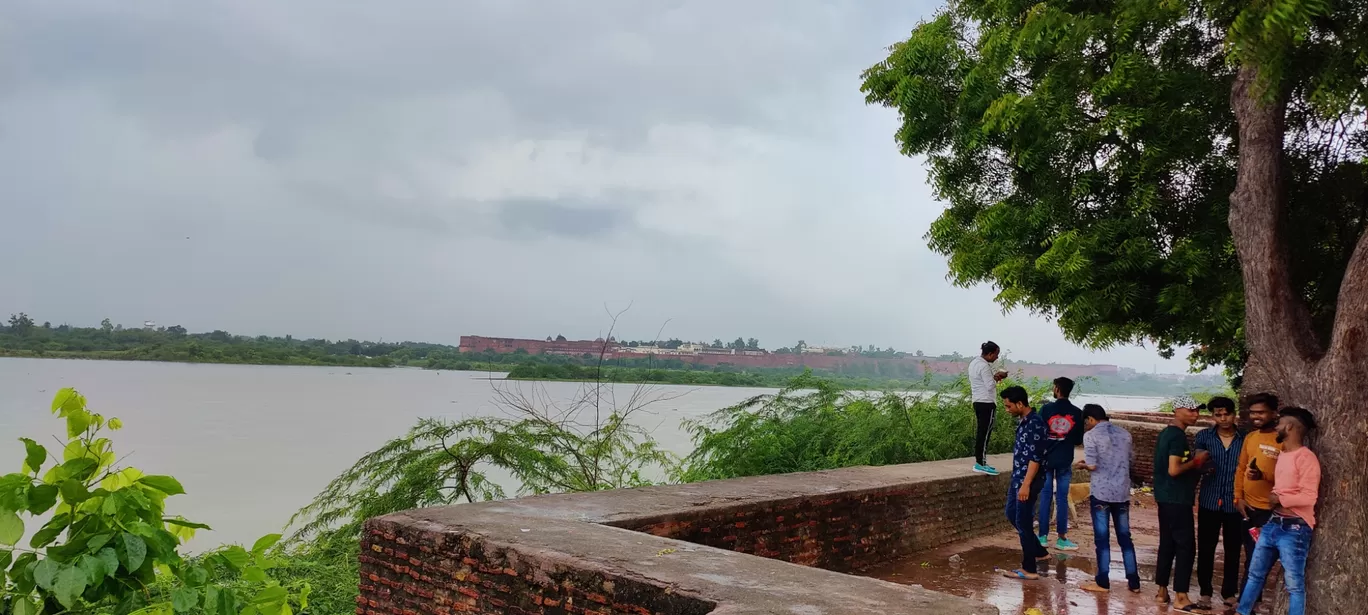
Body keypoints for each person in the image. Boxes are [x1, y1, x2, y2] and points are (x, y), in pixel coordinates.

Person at [1230, 407, 1320, 615]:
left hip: (1295, 528)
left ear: (1289, 427)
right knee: (1255, 575)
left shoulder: (1306, 458)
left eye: (1280, 423)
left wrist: (1280, 499)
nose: (1277, 426)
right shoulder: (1284, 454)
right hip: (1274, 523)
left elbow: (1309, 497)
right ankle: (1242, 612)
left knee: (1294, 584)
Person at [1076, 404, 1140, 594]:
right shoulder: (1124, 434)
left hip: (1102, 493)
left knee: (1102, 539)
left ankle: (1103, 581)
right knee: (1125, 537)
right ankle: (1134, 581)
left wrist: (1083, 466)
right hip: (1121, 492)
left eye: (1086, 422)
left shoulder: (1091, 436)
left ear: (1090, 419)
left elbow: (1093, 465)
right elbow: (1131, 459)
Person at [1153, 395, 1210, 611]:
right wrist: (1197, 462)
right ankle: (1181, 596)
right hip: (1176, 499)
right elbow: (1174, 469)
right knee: (1186, 546)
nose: (1195, 414)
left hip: (1164, 497)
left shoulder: (1166, 434)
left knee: (1167, 543)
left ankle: (1161, 591)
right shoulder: (1176, 436)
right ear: (1177, 410)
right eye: (1191, 410)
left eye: (1197, 411)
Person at [1193, 396, 1246, 611]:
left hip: (1235, 502)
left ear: (1234, 414)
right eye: (1218, 414)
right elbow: (1197, 463)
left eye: (1227, 414)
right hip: (1209, 500)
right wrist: (1203, 466)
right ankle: (1205, 592)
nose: (1223, 418)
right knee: (1206, 548)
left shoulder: (1246, 438)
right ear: (1212, 416)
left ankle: (1229, 592)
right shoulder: (1204, 437)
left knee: (1233, 549)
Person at [1233, 392, 1281, 606]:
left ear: (1274, 413)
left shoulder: (1282, 441)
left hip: (1270, 513)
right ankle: (1247, 603)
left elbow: (1288, 476)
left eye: (1260, 412)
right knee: (1251, 558)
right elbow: (1241, 468)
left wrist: (1264, 476)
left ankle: (1247, 604)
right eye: (1252, 413)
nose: (1255, 416)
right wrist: (1238, 498)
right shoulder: (1251, 437)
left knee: (1260, 561)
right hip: (1248, 509)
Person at [1000, 385, 1050, 580]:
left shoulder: (1035, 424)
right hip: (1018, 477)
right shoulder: (1024, 421)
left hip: (1027, 480)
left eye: (1009, 406)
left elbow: (1035, 458)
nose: (1007, 410)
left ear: (1020, 403)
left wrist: (1026, 484)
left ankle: (1029, 569)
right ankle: (1039, 551)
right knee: (1011, 513)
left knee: (1023, 521)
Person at [1037, 376, 1084, 551]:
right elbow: (1078, 439)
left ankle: (1042, 537)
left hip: (1046, 459)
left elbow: (1039, 434)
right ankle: (1062, 538)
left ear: (1057, 389)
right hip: (1064, 459)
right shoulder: (1077, 412)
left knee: (1045, 497)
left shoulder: (1046, 409)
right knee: (1062, 498)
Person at [968, 341, 1008, 475]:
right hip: (987, 402)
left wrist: (993, 377)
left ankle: (981, 461)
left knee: (981, 432)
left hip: (977, 400)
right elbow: (989, 386)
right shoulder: (984, 367)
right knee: (984, 434)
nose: (997, 358)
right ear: (990, 354)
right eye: (996, 355)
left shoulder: (974, 363)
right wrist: (998, 377)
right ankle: (980, 463)